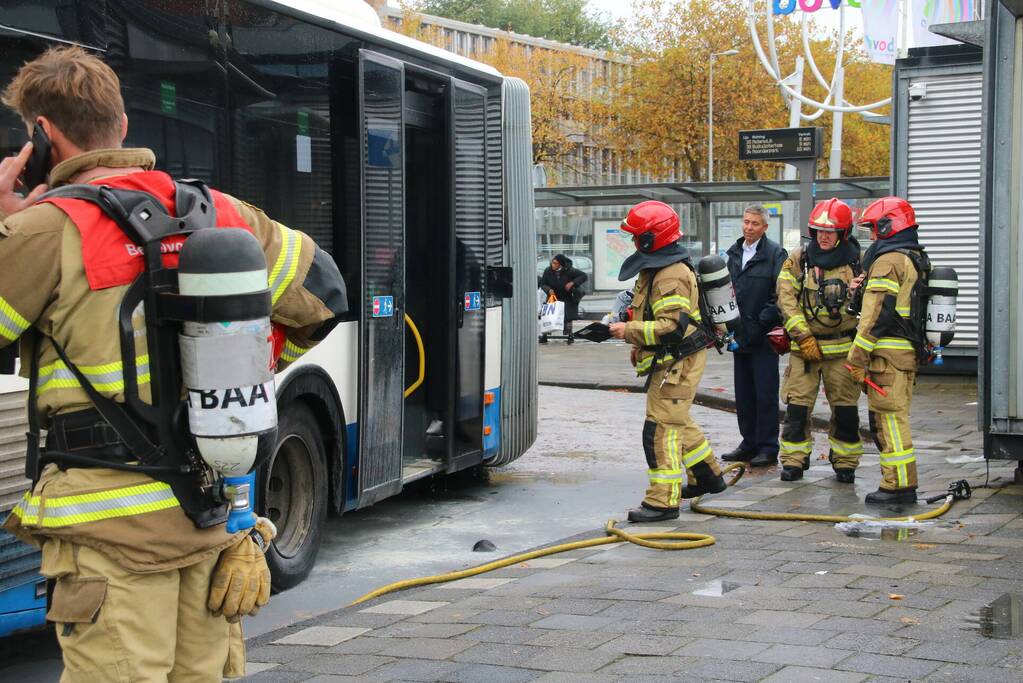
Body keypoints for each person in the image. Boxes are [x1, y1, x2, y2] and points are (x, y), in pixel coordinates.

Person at [0, 46, 347, 680]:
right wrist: (249, 370)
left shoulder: (42, 230)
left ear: (43, 136)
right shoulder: (222, 213)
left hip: (109, 539)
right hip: (208, 517)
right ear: (124, 125)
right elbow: (325, 297)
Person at [609, 201, 726, 522]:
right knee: (677, 417)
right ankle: (707, 476)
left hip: (679, 361)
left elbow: (672, 326)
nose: (633, 243)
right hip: (675, 359)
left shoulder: (670, 274)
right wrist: (639, 341)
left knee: (660, 429)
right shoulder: (660, 267)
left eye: (636, 237)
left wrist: (627, 331)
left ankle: (662, 501)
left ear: (650, 239)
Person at [775, 198, 863, 483]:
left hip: (843, 352)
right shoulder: (799, 260)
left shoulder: (859, 263)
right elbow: (786, 300)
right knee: (797, 409)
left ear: (844, 233)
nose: (823, 236)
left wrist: (855, 293)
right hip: (805, 351)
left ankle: (846, 462)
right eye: (818, 231)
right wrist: (803, 336)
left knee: (846, 411)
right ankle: (793, 461)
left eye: (830, 231)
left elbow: (872, 303)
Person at [846, 196, 927, 505]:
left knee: (890, 420)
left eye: (873, 230)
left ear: (888, 225)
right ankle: (899, 483)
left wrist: (857, 356)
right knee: (894, 418)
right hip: (903, 354)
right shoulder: (912, 256)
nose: (872, 237)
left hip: (887, 358)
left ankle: (898, 487)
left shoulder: (888, 260)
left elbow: (876, 314)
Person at [722, 204, 787, 467]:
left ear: (765, 227)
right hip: (739, 334)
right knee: (744, 394)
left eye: (755, 224)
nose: (749, 227)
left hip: (763, 336)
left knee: (765, 394)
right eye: (746, 222)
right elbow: (727, 289)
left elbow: (778, 295)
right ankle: (748, 442)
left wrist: (759, 325)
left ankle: (768, 447)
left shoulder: (775, 254)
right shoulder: (735, 252)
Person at [539, 254, 587, 342]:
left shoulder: (570, 270)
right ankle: (544, 335)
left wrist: (572, 283)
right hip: (553, 296)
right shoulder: (548, 270)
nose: (553, 265)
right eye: (552, 262)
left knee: (567, 316)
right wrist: (548, 289)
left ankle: (569, 335)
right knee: (548, 316)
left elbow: (583, 276)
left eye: (555, 263)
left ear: (560, 264)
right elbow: (543, 284)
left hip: (566, 296)